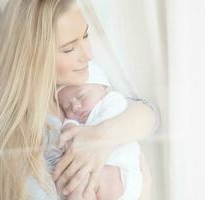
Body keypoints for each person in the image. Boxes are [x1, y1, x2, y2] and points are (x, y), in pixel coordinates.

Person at [0, 0, 159, 199]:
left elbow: (149, 114)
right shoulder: (21, 146)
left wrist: (100, 137)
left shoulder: (73, 89)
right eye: (69, 49)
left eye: (86, 36)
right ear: (34, 57)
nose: (88, 54)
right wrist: (143, 191)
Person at [56, 63, 143, 200]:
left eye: (81, 96)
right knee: (78, 187)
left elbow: (105, 125)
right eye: (68, 106)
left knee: (83, 184)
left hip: (119, 170)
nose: (76, 107)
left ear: (103, 87)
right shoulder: (78, 120)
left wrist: (81, 132)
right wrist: (69, 125)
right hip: (100, 172)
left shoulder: (112, 100)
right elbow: (68, 125)